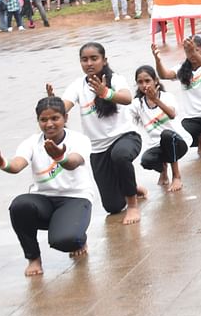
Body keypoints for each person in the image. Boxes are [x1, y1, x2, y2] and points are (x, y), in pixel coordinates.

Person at [0, 95, 94, 277]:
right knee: (20, 205)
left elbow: (73, 162)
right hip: (44, 200)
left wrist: (60, 157)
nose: (49, 124)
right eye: (43, 120)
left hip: (75, 199)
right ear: (38, 121)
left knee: (64, 241)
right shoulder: (31, 142)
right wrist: (0, 162)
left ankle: (78, 239)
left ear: (65, 118)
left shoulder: (79, 140)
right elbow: (16, 165)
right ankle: (33, 258)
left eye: (55, 118)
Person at [54, 42, 145, 224]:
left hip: (125, 137)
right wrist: (52, 106)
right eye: (84, 60)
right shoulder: (77, 86)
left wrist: (106, 92)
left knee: (120, 155)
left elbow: (127, 98)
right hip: (98, 149)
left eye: (94, 58)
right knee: (112, 207)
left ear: (104, 60)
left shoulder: (116, 79)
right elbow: (63, 107)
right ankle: (131, 186)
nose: (89, 63)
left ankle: (133, 205)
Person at [153, 37, 201, 159]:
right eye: (188, 51)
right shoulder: (182, 69)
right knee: (181, 134)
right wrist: (157, 60)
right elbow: (164, 75)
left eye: (196, 50)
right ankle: (200, 141)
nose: (192, 54)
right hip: (194, 118)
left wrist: (193, 52)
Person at [132, 65, 188, 192]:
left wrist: (156, 101)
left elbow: (172, 114)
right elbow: (125, 117)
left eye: (147, 81)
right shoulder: (137, 103)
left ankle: (177, 176)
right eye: (140, 82)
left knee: (167, 135)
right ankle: (163, 169)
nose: (144, 85)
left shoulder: (166, 97)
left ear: (155, 81)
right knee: (146, 161)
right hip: (157, 145)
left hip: (177, 142)